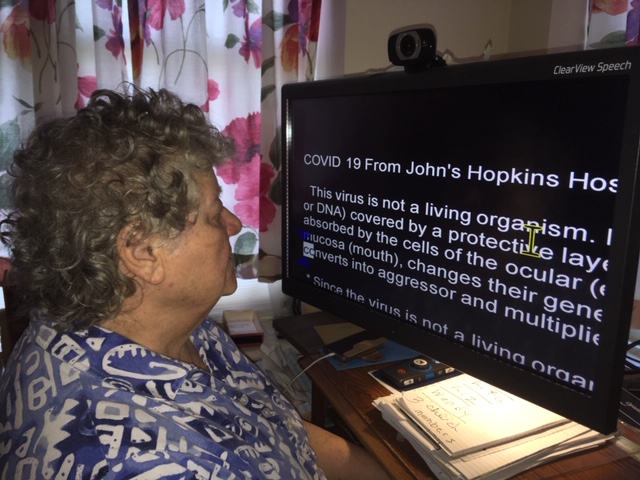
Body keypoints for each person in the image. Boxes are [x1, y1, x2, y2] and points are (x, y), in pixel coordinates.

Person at [0, 88, 389, 479]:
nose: (235, 225)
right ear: (142, 251)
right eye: (214, 212)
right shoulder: (149, 462)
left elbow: (280, 435)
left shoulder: (159, 327)